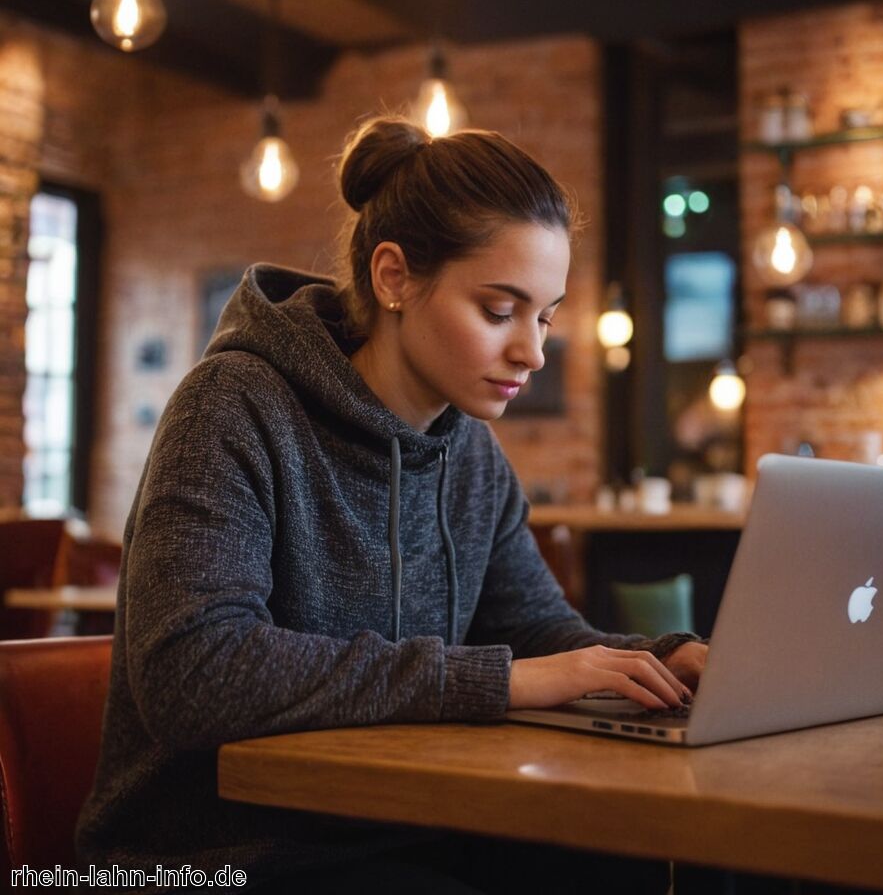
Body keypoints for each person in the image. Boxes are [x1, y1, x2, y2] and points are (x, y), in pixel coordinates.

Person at [76, 116, 708, 893]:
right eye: (499, 310)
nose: (533, 352)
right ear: (394, 277)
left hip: (400, 828)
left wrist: (661, 661)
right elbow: (195, 672)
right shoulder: (233, 408)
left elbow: (538, 635)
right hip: (204, 859)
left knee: (636, 864)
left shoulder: (470, 452)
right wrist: (500, 681)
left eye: (543, 316)